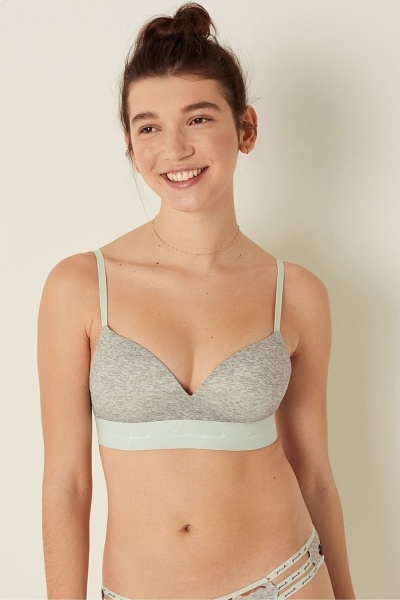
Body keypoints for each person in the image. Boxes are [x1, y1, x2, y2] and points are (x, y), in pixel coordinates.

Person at [38, 3, 355, 599]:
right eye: (148, 127)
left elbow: (314, 473)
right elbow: (67, 484)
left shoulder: (296, 293)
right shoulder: (80, 287)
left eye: (199, 118)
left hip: (287, 583)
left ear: (246, 128)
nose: (175, 149)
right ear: (131, 146)